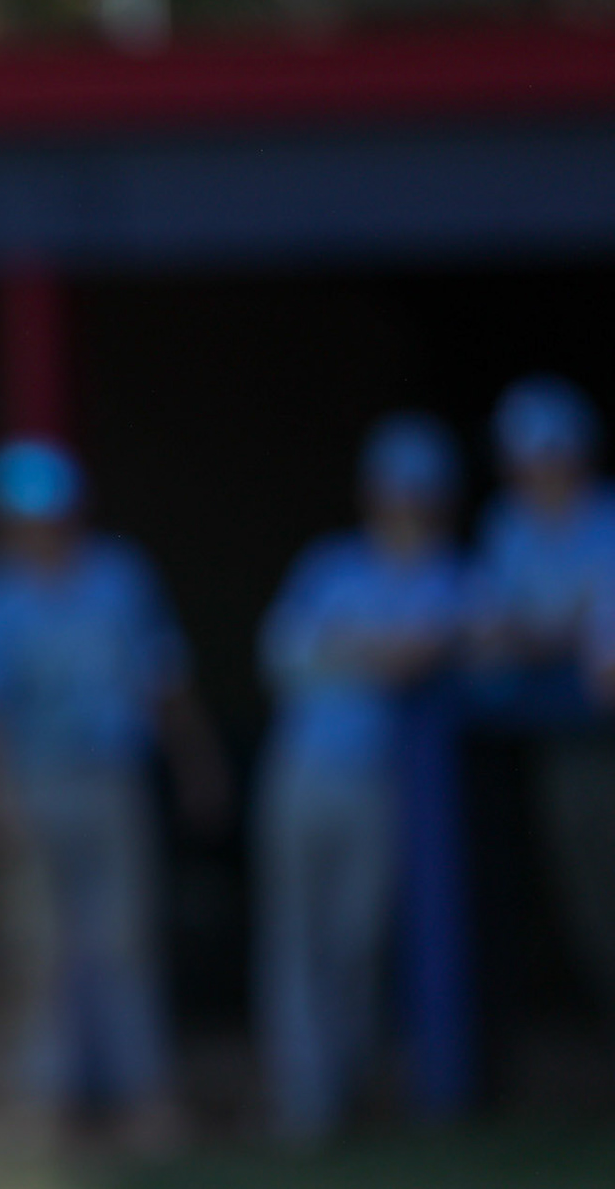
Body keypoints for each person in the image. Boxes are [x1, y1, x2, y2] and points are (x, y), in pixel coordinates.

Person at [0, 439, 227, 1151]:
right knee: (36, 946)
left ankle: (143, 1099)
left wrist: (198, 767)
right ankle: (43, 1104)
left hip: (112, 781)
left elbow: (162, 682)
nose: (38, 529)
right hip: (31, 784)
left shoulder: (119, 577)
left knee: (123, 939)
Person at [254, 414, 467, 1144]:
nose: (401, 503)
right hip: (301, 774)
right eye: (390, 489)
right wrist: (378, 652)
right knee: (297, 940)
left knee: (358, 940)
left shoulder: (450, 574)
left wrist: (349, 648)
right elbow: (281, 653)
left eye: (416, 490)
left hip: (382, 786)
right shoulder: (333, 563)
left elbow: (425, 655)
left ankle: (350, 1092)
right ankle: (303, 1110)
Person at [469, 376, 615, 1059]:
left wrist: (549, 637)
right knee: (588, 902)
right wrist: (556, 636)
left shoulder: (609, 520)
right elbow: (494, 635)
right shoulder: (507, 527)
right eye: (529, 459)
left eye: (554, 455)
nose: (543, 472)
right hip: (560, 749)